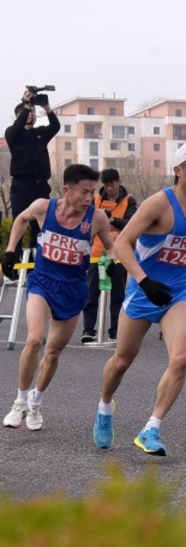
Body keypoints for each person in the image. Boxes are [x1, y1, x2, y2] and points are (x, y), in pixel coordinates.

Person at [93, 142, 186, 455]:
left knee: (182, 358)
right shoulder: (157, 205)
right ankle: (105, 407)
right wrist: (144, 281)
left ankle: (151, 429)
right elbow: (122, 245)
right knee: (122, 361)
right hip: (142, 291)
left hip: (176, 293)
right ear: (178, 171)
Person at [2, 165, 113, 431]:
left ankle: (36, 401)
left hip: (73, 289)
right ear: (66, 190)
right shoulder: (44, 207)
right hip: (42, 282)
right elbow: (21, 219)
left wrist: (123, 264)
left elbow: (112, 245)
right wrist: (10, 251)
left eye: (92, 192)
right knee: (33, 340)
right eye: (84, 192)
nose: (89, 197)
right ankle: (19, 402)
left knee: (52, 353)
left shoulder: (96, 218)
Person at [81, 169, 138, 343]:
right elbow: (86, 219)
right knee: (92, 294)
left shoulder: (129, 201)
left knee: (118, 294)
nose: (109, 188)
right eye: (106, 185)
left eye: (111, 185)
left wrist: (111, 220)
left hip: (119, 255)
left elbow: (132, 223)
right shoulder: (96, 200)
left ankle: (115, 330)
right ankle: (89, 330)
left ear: (118, 182)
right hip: (96, 255)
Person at [6, 90, 61, 256]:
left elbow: (55, 126)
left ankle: (37, 263)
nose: (31, 115)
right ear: (19, 115)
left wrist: (47, 108)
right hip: (22, 186)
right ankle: (13, 263)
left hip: (40, 186)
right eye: (27, 113)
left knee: (41, 225)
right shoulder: (13, 133)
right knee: (19, 222)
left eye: (33, 112)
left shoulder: (40, 133)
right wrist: (26, 106)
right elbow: (15, 130)